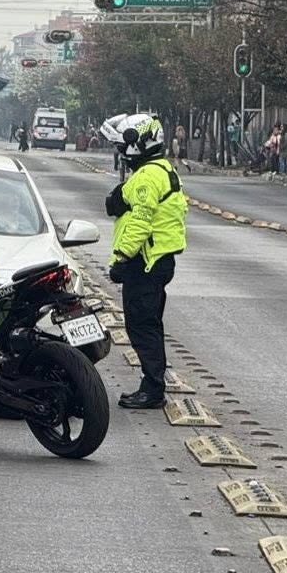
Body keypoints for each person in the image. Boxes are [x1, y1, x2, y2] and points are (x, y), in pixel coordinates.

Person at [104, 118, 188, 409]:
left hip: (145, 262)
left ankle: (153, 389)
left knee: (142, 326)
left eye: (122, 145)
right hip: (159, 261)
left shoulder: (147, 177)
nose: (121, 150)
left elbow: (140, 223)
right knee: (148, 323)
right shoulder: (164, 169)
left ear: (139, 143)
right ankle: (151, 384)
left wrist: (121, 258)